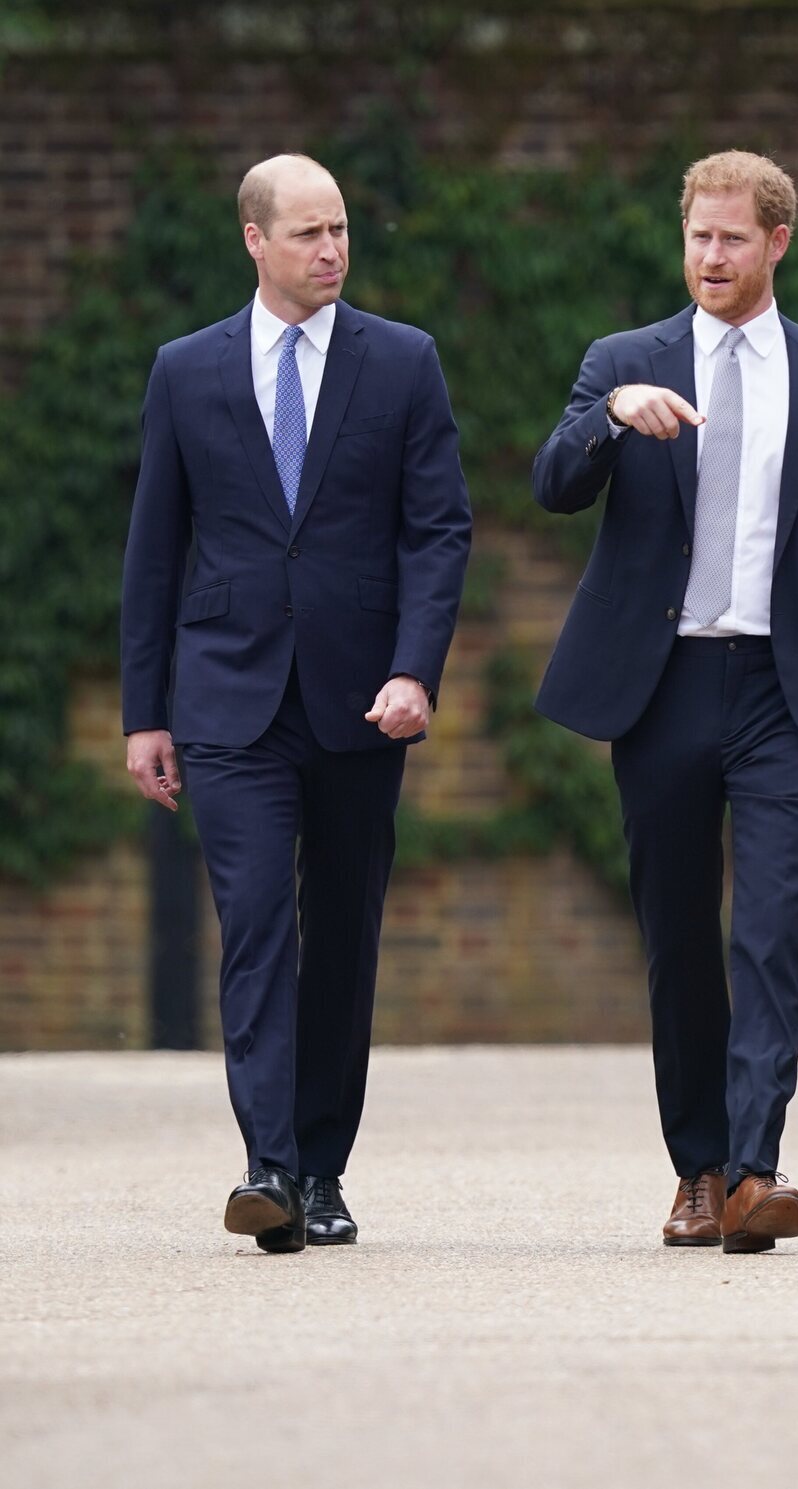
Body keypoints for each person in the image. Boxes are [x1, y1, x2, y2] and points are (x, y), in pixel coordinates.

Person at [532, 150, 798, 1254]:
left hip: (784, 691)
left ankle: (755, 1170)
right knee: (677, 940)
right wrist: (608, 413)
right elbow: (552, 484)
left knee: (769, 932)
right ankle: (694, 1168)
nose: (710, 255)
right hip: (661, 689)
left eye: (732, 238)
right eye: (697, 235)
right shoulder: (625, 359)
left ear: (776, 243)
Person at [121, 154, 471, 1252]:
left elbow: (438, 530)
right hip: (227, 702)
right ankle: (266, 1164)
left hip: (362, 700)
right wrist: (146, 712)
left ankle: (323, 1169)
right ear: (253, 240)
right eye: (308, 232)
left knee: (342, 939)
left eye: (341, 230)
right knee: (259, 924)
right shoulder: (185, 371)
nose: (331, 249)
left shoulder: (402, 362)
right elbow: (153, 550)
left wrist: (415, 668)